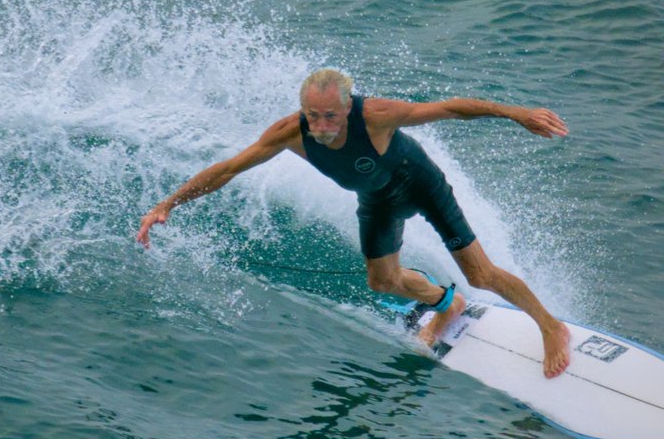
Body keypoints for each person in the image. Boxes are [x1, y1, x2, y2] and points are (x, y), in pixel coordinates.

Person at [135, 68, 572, 377]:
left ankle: (551, 327)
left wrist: (515, 113)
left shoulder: (376, 115)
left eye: (330, 115)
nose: (320, 125)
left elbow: (450, 109)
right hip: (378, 200)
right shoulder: (290, 132)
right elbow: (229, 168)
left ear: (348, 107)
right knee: (382, 281)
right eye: (312, 115)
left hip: (420, 183)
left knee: (480, 274)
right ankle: (447, 304)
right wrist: (169, 203)